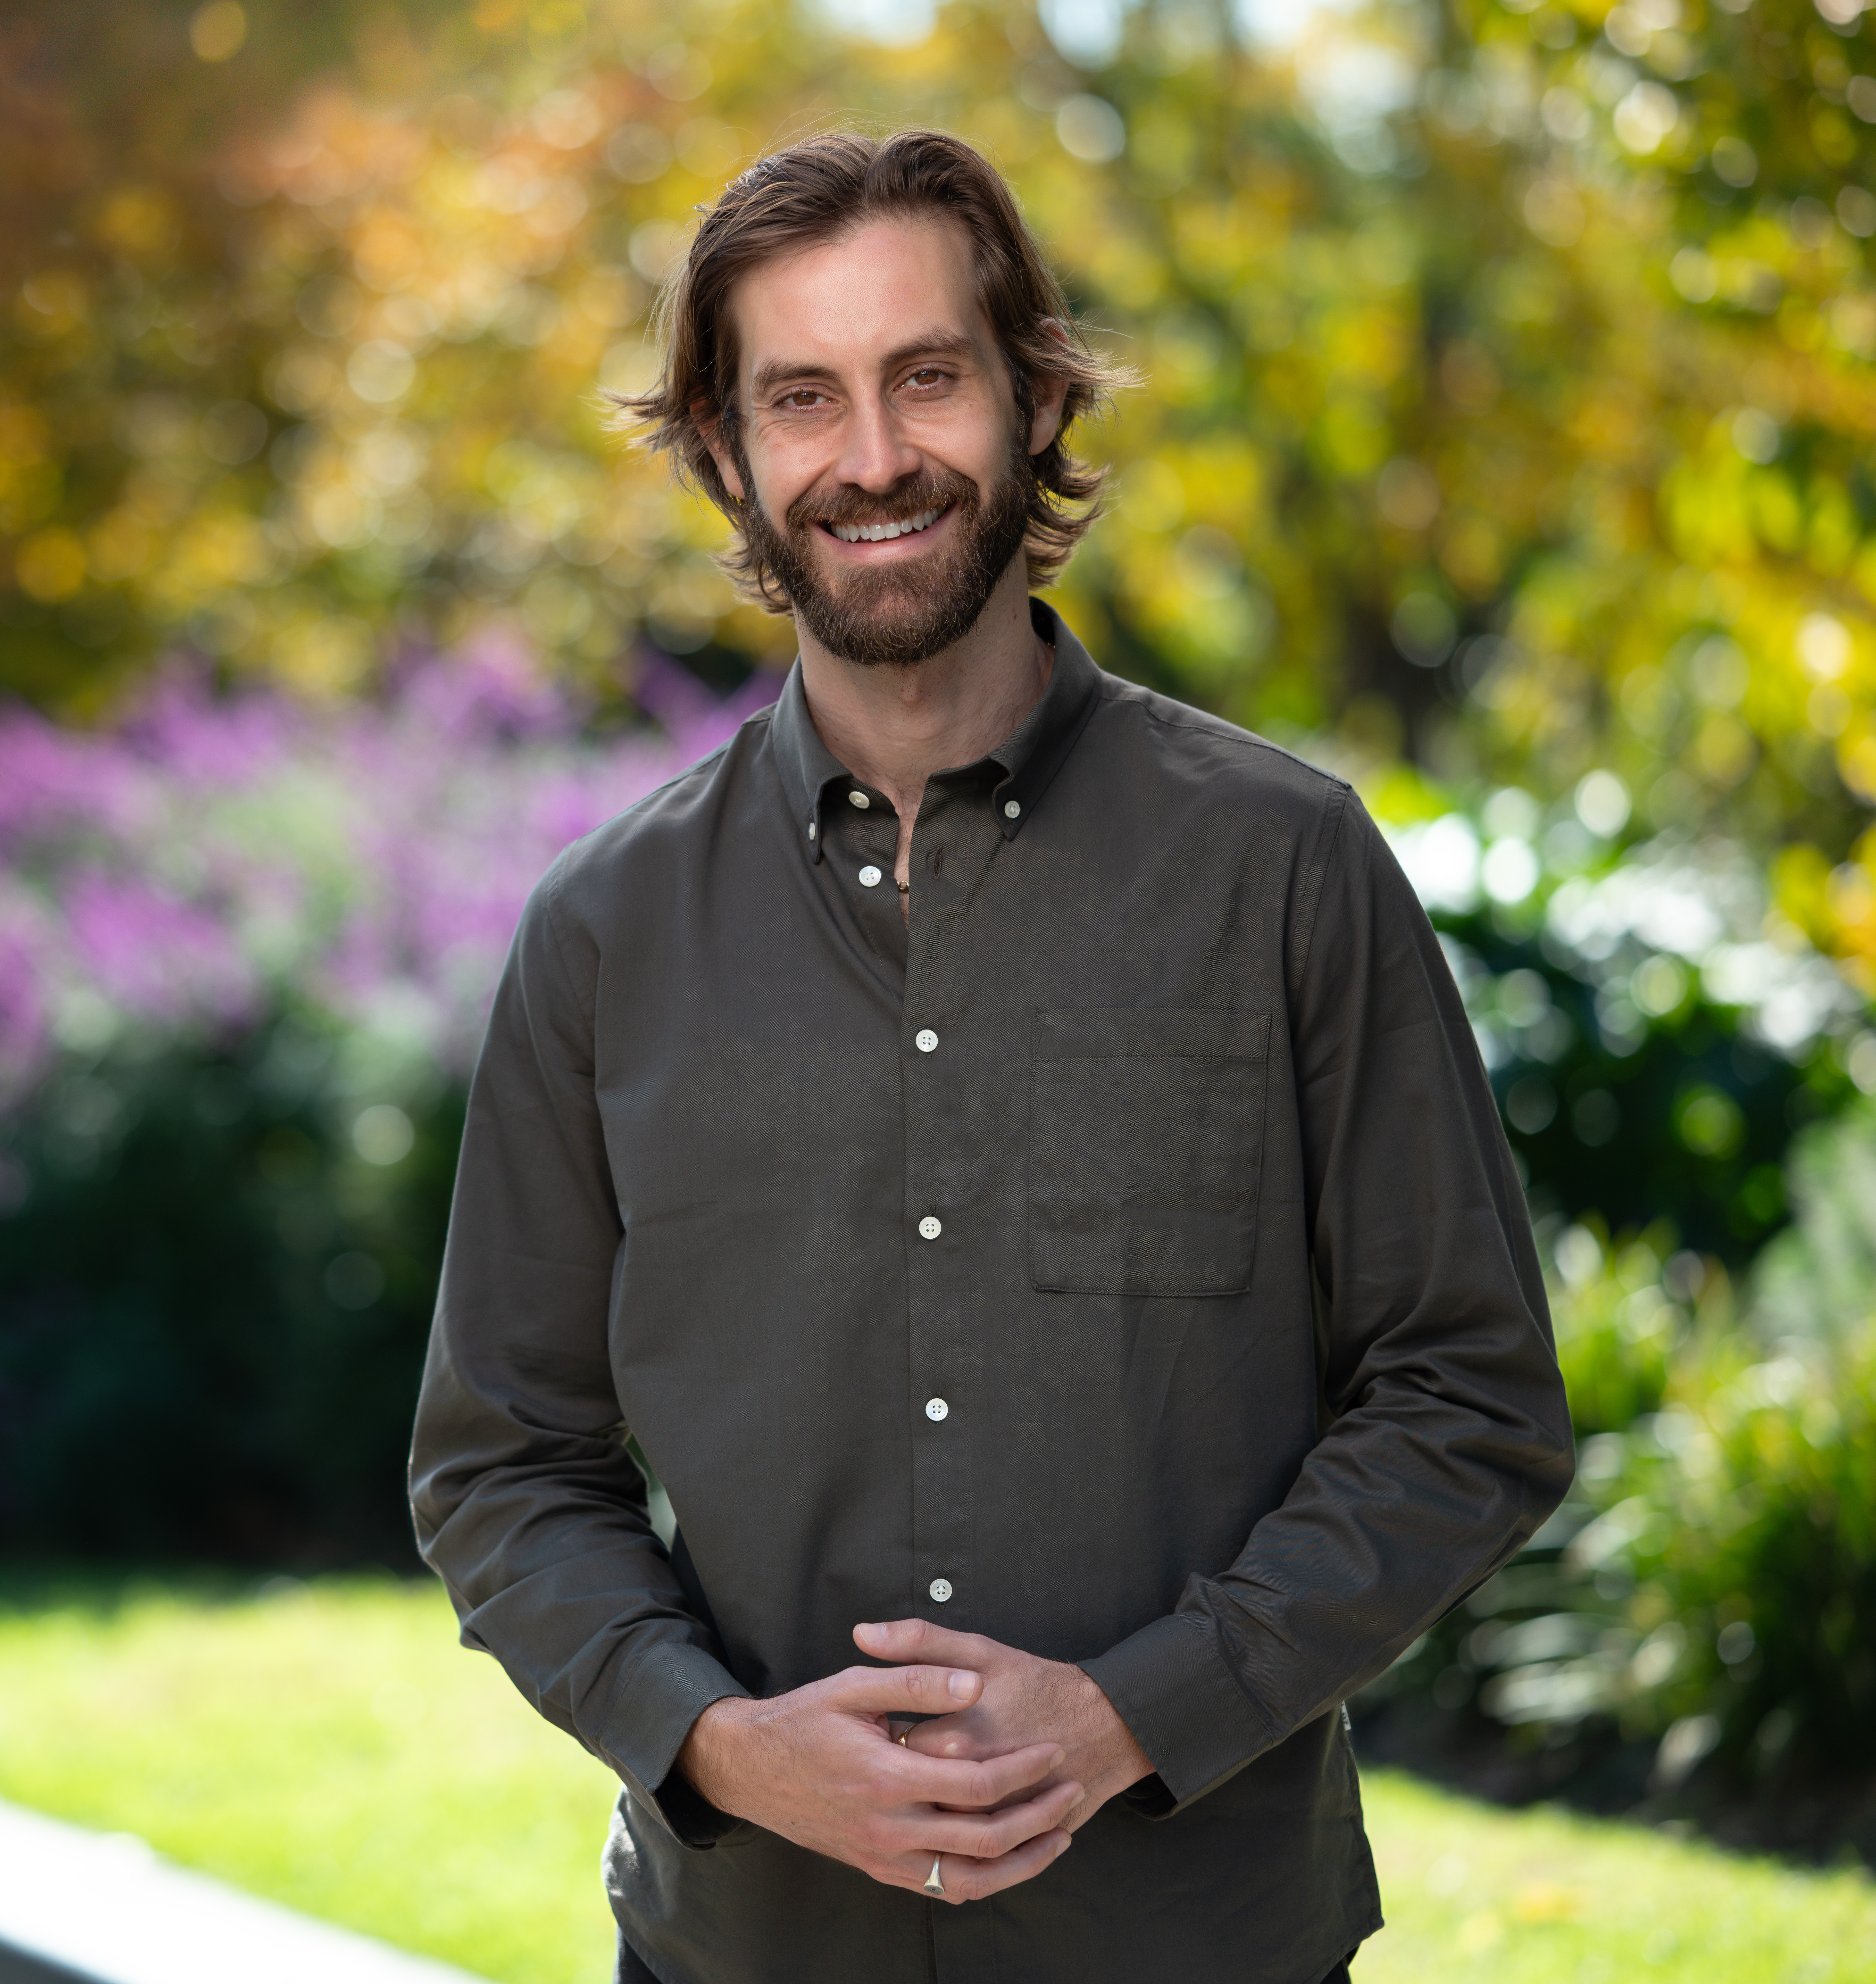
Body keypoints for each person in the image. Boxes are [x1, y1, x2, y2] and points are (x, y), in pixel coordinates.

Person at [409, 128, 1574, 1984]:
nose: (872, 458)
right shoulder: (603, 932)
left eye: (925, 377)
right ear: (726, 448)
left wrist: (1138, 1714)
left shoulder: (1285, 868)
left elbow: (1466, 1397)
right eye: (802, 397)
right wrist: (716, 1743)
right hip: (744, 1954)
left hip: (1197, 1948)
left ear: (1031, 398)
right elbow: (502, 1464)